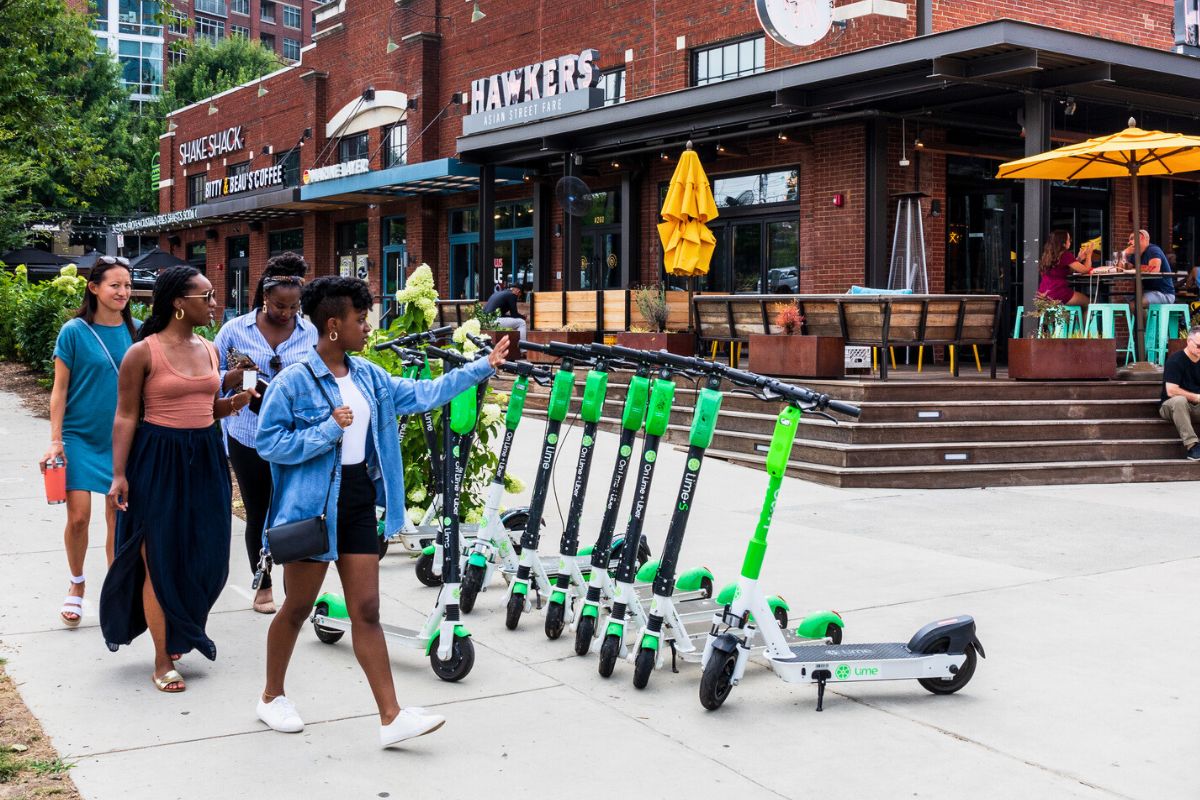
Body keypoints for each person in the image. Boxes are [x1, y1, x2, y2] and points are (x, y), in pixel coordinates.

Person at [254, 276, 510, 748]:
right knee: (297, 606)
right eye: (360, 318)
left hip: (355, 501)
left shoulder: (369, 376)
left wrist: (480, 367)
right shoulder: (293, 381)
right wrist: (325, 432)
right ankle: (272, 696)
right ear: (334, 326)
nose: (368, 326)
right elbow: (268, 443)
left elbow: (426, 392)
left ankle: (391, 717)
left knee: (366, 610)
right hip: (311, 507)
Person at [100, 266, 257, 693]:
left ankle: (181, 626)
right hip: (157, 459)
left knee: (207, 555)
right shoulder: (143, 353)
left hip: (205, 456)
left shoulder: (209, 349)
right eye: (205, 297)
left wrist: (236, 400)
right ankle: (160, 658)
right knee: (159, 558)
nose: (213, 303)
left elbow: (209, 409)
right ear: (178, 303)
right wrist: (118, 475)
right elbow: (126, 415)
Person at [213, 252, 315, 614]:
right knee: (258, 512)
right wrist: (239, 382)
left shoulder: (311, 332)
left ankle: (296, 585)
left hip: (293, 438)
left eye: (293, 307)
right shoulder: (234, 330)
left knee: (293, 511)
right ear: (263, 297)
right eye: (278, 306)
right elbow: (214, 380)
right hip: (247, 435)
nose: (286, 313)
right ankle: (264, 582)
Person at [42, 256, 139, 627]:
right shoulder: (74, 332)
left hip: (124, 440)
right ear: (94, 288)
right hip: (79, 437)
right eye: (115, 285)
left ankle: (114, 591)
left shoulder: (139, 332)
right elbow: (59, 390)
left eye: (128, 285)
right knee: (79, 517)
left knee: (118, 519)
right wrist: (55, 441)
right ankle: (77, 584)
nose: (123, 292)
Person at [1159, 325, 1200, 460]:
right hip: (1170, 407)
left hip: (1195, 407)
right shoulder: (1175, 360)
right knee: (1179, 400)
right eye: (1199, 346)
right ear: (1189, 341)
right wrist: (1196, 397)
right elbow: (1171, 391)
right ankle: (1192, 446)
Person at [1036, 229, 1094, 314]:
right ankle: (1082, 328)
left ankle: (1075, 326)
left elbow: (1065, 270)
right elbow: (1086, 269)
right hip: (1058, 293)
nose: (1070, 242)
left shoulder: (1047, 255)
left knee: (1078, 306)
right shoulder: (1065, 254)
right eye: (1069, 240)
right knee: (1087, 303)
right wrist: (1089, 255)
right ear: (1063, 243)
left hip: (1044, 294)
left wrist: (1079, 259)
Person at [1123, 229, 1174, 306]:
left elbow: (1154, 269)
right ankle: (1147, 318)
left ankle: (1145, 318)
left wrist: (1134, 268)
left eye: (1132, 238)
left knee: (1134, 304)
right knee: (1125, 301)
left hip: (1164, 293)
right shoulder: (1135, 254)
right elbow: (1120, 268)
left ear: (1142, 237)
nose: (1129, 242)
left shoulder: (1153, 250)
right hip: (1148, 292)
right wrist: (1124, 253)